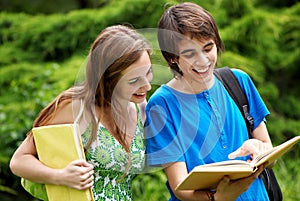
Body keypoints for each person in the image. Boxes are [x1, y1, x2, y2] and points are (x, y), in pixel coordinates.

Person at [145, 2, 274, 201]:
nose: (203, 60)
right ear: (172, 57)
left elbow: (268, 147)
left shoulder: (238, 81)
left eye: (208, 48)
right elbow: (180, 185)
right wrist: (218, 199)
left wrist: (258, 150)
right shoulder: (162, 105)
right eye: (189, 54)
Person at [10, 24, 153, 201]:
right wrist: (61, 176)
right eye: (134, 80)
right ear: (108, 77)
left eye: (148, 72)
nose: (146, 85)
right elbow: (19, 161)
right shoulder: (75, 107)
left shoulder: (139, 107)